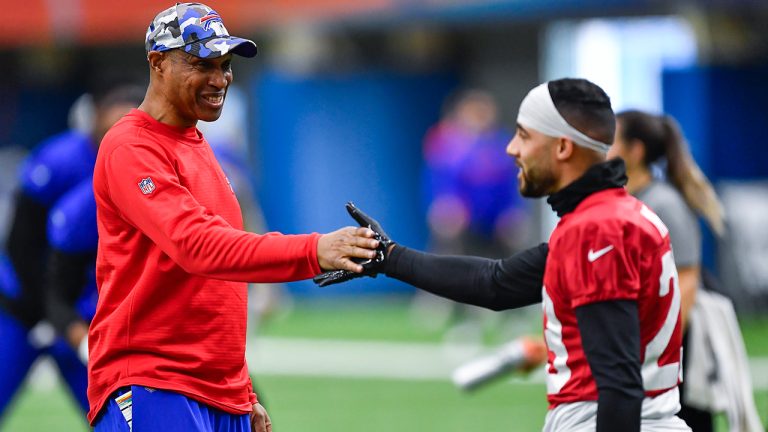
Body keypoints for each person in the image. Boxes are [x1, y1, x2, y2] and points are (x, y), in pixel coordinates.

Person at [316, 78, 692, 431]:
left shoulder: (596, 229)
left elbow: (620, 385)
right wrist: (389, 258)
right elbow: (497, 284)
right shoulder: (613, 215)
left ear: (562, 147)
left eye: (524, 136)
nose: (511, 148)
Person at [87, 4, 380, 432]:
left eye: (225, 66)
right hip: (154, 382)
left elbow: (215, 290)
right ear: (158, 63)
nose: (220, 79)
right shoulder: (130, 147)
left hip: (216, 392)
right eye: (202, 64)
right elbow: (197, 245)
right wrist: (314, 249)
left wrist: (240, 392)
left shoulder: (198, 145)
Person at [0, 85, 144, 420]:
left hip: (86, 316)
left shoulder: (149, 171)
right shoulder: (62, 165)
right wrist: (50, 312)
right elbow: (21, 243)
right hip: (25, 307)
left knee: (122, 418)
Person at [608, 110, 722, 431]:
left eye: (611, 140)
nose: (602, 148)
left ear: (636, 151)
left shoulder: (663, 203)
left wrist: (662, 352)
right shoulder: (625, 201)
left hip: (675, 351)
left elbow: (687, 279)